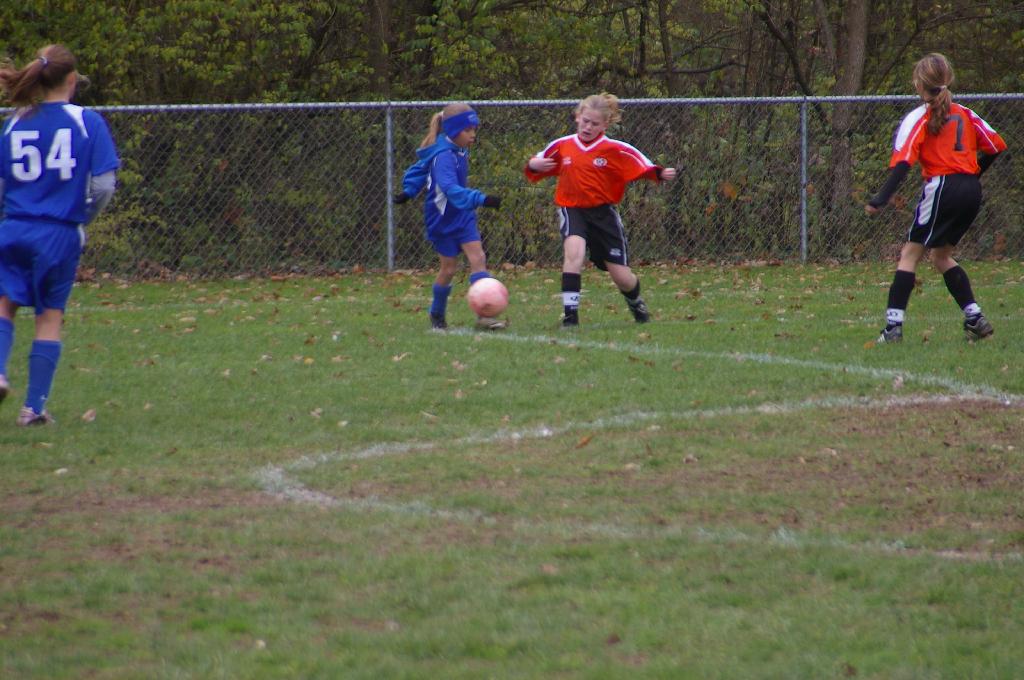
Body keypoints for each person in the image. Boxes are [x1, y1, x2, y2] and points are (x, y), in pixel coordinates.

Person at [0, 44, 120, 425]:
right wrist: (82, 216)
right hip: (59, 233)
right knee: (49, 317)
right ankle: (33, 409)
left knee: (3, 305)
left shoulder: (16, 122)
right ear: (71, 80)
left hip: (14, 228)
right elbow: (103, 186)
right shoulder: (87, 122)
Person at [865, 53, 1006, 344]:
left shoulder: (920, 116)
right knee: (940, 256)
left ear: (919, 83)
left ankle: (893, 328)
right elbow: (996, 146)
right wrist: (971, 176)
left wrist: (881, 198)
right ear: (947, 80)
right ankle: (975, 317)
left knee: (910, 255)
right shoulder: (965, 113)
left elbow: (903, 162)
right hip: (971, 189)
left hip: (943, 186)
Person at [524, 93, 676, 327]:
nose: (588, 127)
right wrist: (534, 164)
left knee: (622, 277)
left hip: (603, 214)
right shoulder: (563, 145)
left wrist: (659, 173)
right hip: (572, 209)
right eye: (585, 121)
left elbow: (640, 163)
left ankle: (636, 303)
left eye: (595, 124)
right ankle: (570, 317)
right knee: (574, 254)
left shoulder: (614, 149)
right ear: (577, 117)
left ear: (605, 125)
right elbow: (538, 162)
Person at [394, 102, 505, 331]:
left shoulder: (459, 147)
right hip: (441, 218)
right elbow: (449, 189)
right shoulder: (444, 154)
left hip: (462, 215)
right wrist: (482, 199)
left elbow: (422, 169)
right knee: (448, 269)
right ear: (454, 130)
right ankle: (437, 313)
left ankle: (484, 316)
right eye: (468, 130)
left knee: (478, 258)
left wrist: (409, 190)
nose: (473, 135)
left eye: (474, 129)